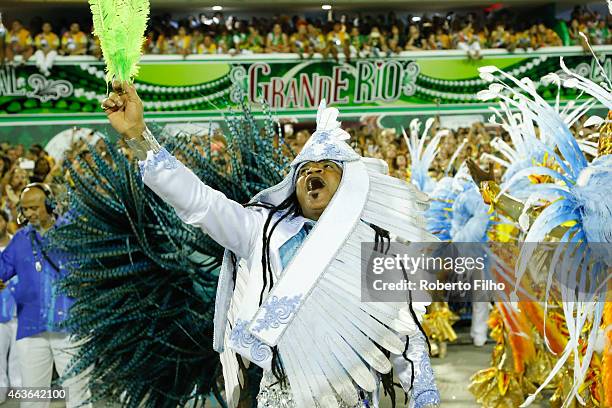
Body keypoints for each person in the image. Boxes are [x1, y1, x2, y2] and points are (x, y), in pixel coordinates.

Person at [102, 83, 441, 408]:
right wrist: (138, 136)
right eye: (304, 170)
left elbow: (405, 333)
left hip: (352, 394)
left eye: (326, 167)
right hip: (280, 392)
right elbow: (201, 203)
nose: (312, 173)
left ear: (348, 183)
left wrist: (424, 396)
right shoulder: (262, 231)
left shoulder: (378, 246)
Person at [0, 184, 92, 408]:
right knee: (33, 398)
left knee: (77, 395)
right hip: (31, 327)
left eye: (34, 207)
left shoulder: (72, 234)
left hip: (72, 325)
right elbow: (3, 269)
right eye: (25, 209)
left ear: (50, 205)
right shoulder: (20, 239)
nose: (29, 213)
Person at [0, 211, 20, 404]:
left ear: (7, 221)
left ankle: (18, 388)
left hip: (19, 308)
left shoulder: (18, 244)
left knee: (19, 354)